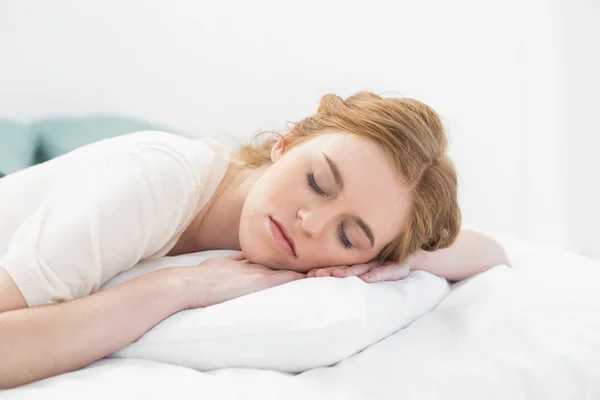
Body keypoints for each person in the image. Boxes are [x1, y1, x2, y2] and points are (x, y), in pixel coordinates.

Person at [0, 91, 508, 389]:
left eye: (349, 233)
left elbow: (492, 251)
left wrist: (402, 254)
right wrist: (176, 288)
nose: (312, 222)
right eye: (317, 182)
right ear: (282, 145)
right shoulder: (156, 180)